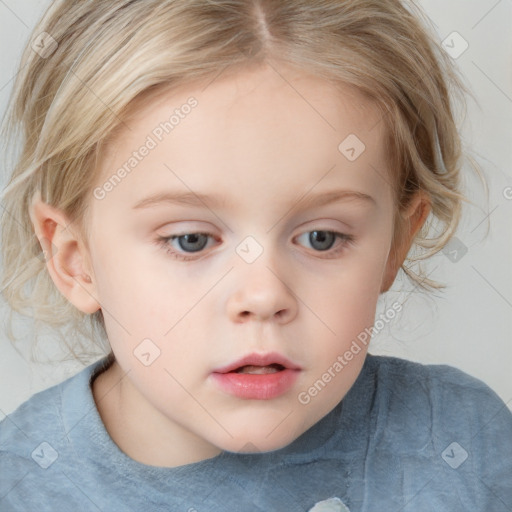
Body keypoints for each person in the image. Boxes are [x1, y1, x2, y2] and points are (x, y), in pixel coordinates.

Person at [0, 1, 510, 511]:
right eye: (191, 240)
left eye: (322, 238)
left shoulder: (463, 447)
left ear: (396, 242)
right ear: (74, 259)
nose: (264, 296)